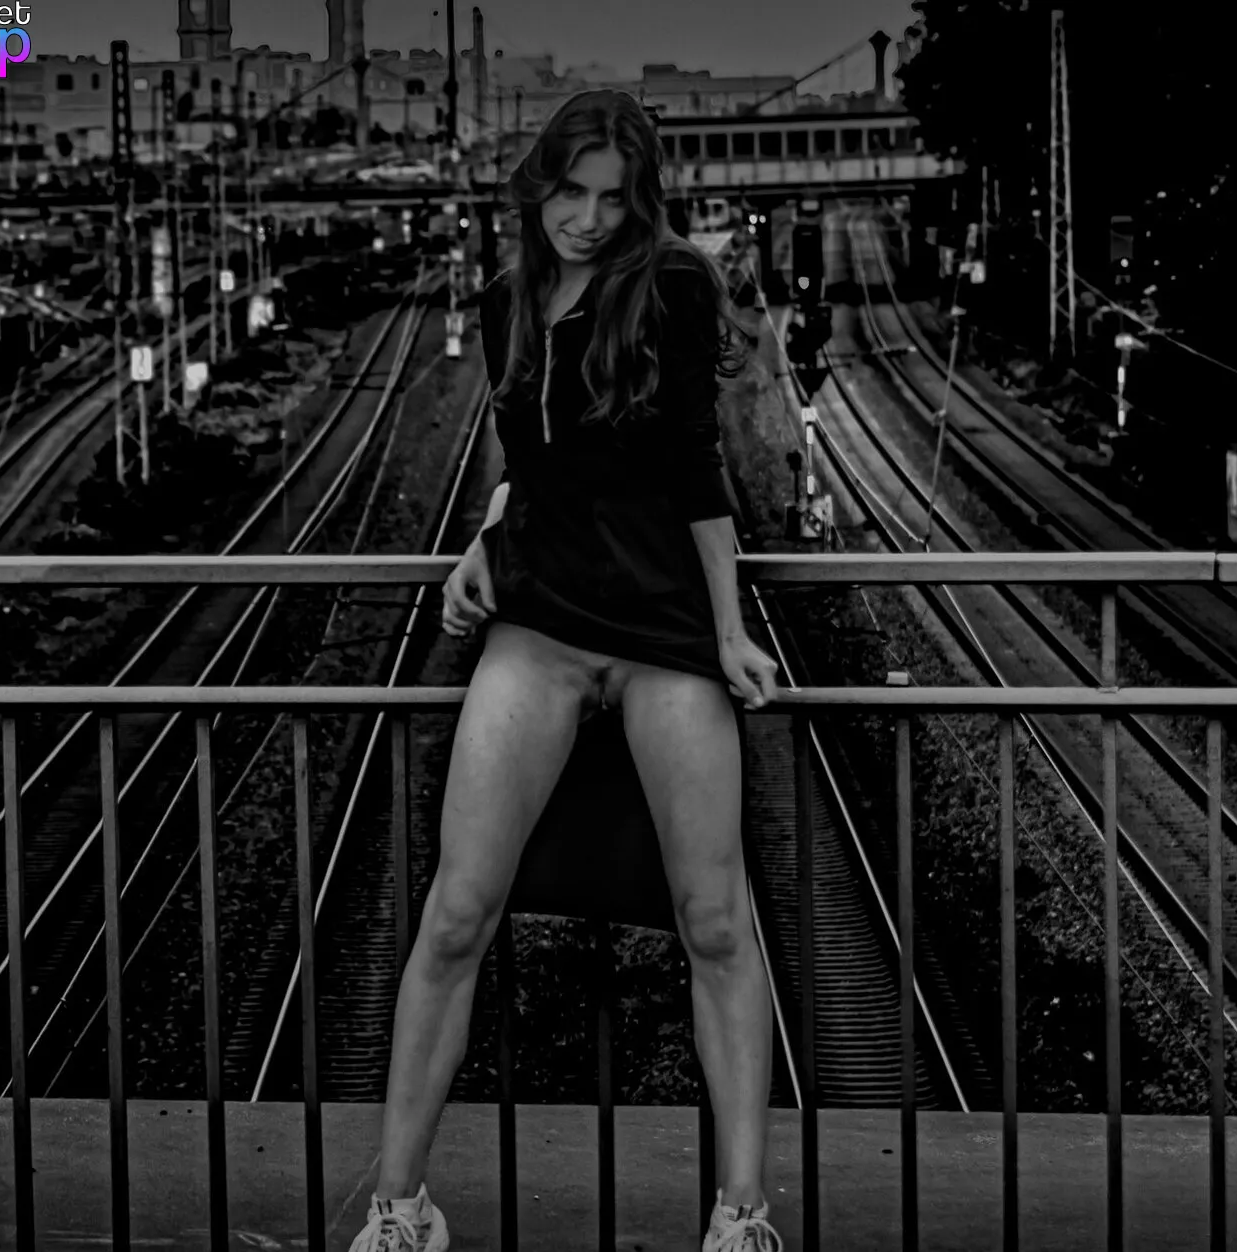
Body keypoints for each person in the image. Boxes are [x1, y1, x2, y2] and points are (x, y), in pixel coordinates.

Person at [348, 89, 785, 1252]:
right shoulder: (508, 298)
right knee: (456, 915)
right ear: (537, 188)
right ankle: (399, 1209)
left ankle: (741, 1215)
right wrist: (482, 541)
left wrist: (729, 629)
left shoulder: (674, 286)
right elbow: (532, 460)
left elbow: (694, 466)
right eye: (570, 193)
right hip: (540, 623)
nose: (588, 219)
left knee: (714, 921)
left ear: (641, 203)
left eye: (612, 199)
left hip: (661, 629)